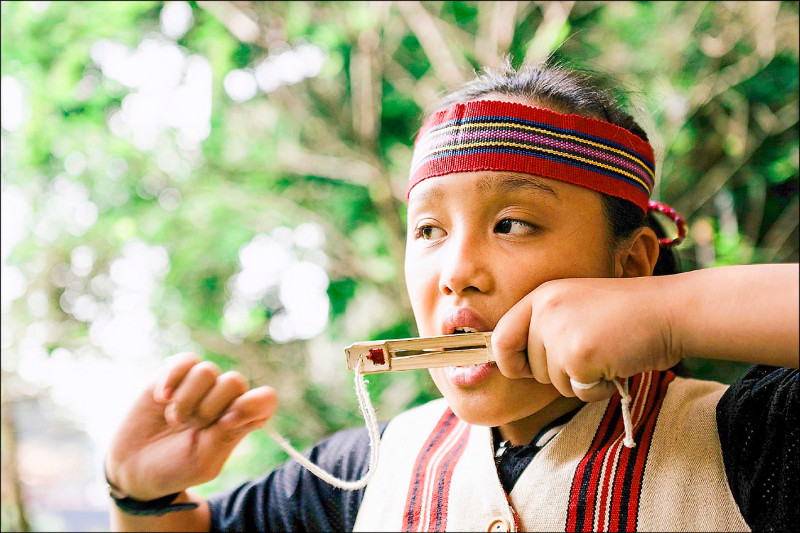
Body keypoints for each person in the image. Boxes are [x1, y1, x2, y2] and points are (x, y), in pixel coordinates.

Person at [104, 60, 799, 532]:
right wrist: (142, 494)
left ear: (632, 263)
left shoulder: (746, 444)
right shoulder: (368, 473)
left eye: (512, 223)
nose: (457, 270)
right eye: (429, 229)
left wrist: (673, 313)